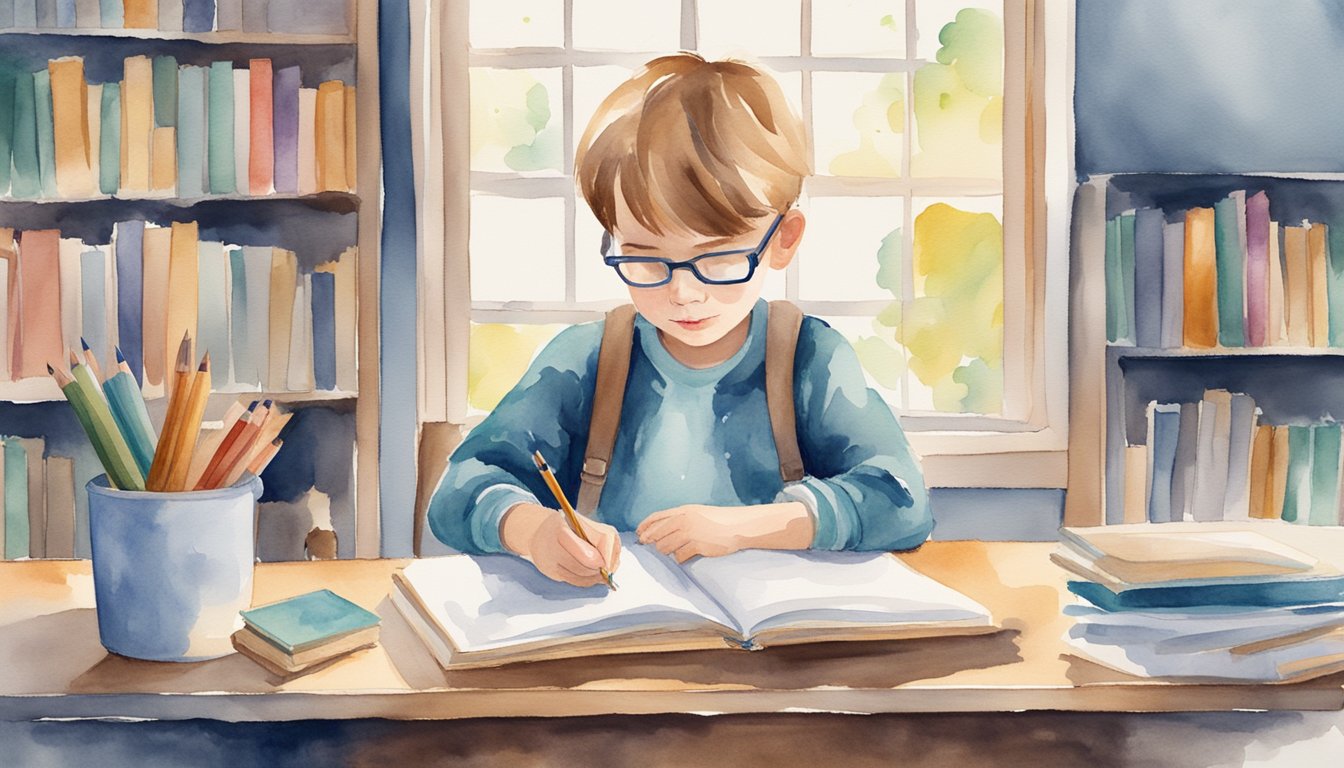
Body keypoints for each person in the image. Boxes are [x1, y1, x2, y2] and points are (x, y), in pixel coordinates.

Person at [428, 53, 932, 587]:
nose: (683, 293)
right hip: (616, 629)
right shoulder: (589, 357)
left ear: (782, 240)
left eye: (717, 259)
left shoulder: (807, 356)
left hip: (774, 642)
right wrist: (532, 530)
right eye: (645, 258)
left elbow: (902, 498)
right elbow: (460, 487)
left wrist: (748, 528)